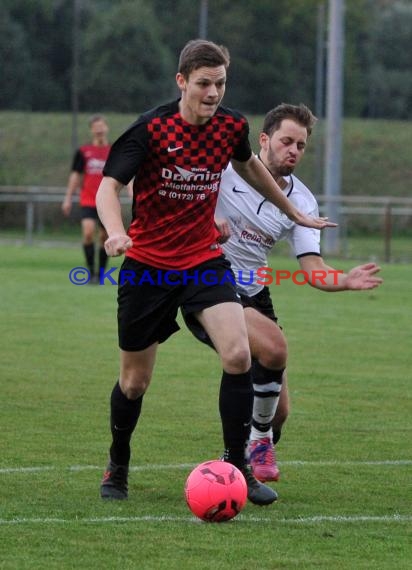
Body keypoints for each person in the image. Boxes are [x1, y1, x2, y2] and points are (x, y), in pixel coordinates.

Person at [95, 40, 335, 504]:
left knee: (239, 356)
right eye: (204, 83)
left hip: (203, 261)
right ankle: (117, 464)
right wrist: (114, 231)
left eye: (220, 83)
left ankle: (237, 467)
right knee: (134, 382)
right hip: (149, 267)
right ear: (182, 81)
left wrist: (296, 213)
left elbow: (251, 170)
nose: (213, 93)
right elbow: (109, 187)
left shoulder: (230, 126)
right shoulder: (150, 129)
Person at [185, 102, 383, 484]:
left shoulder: (303, 201)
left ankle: (242, 459)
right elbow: (181, 198)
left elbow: (313, 270)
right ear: (264, 139)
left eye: (301, 145)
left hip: (256, 296)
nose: (294, 150)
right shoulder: (224, 169)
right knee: (274, 349)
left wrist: (344, 279)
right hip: (209, 284)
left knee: (279, 412)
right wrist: (208, 219)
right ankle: (252, 451)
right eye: (286, 141)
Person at [62, 115, 111, 281]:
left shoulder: (113, 151)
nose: (98, 129)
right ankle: (91, 272)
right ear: (91, 130)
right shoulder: (84, 152)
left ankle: (102, 273)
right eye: (95, 126)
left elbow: (123, 174)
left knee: (105, 237)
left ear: (106, 128)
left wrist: (131, 190)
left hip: (107, 201)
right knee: (88, 233)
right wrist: (68, 198)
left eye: (101, 126)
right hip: (89, 199)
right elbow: (75, 175)